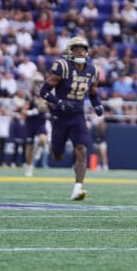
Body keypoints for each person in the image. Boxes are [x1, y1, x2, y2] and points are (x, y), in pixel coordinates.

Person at [39, 36, 104, 200]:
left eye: (83, 48)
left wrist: (97, 105)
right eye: (76, 49)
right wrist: (59, 102)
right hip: (60, 116)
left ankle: (78, 188)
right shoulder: (63, 67)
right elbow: (44, 91)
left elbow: (94, 93)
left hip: (77, 115)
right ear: (70, 51)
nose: (80, 51)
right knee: (57, 156)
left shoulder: (92, 70)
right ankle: (50, 144)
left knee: (82, 149)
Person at [22, 73, 49, 177]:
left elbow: (47, 108)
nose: (38, 84)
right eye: (36, 82)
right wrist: (31, 112)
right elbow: (24, 110)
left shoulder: (45, 94)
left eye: (40, 82)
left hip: (41, 121)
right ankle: (29, 167)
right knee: (29, 146)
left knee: (42, 140)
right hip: (31, 122)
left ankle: (38, 150)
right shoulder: (29, 95)